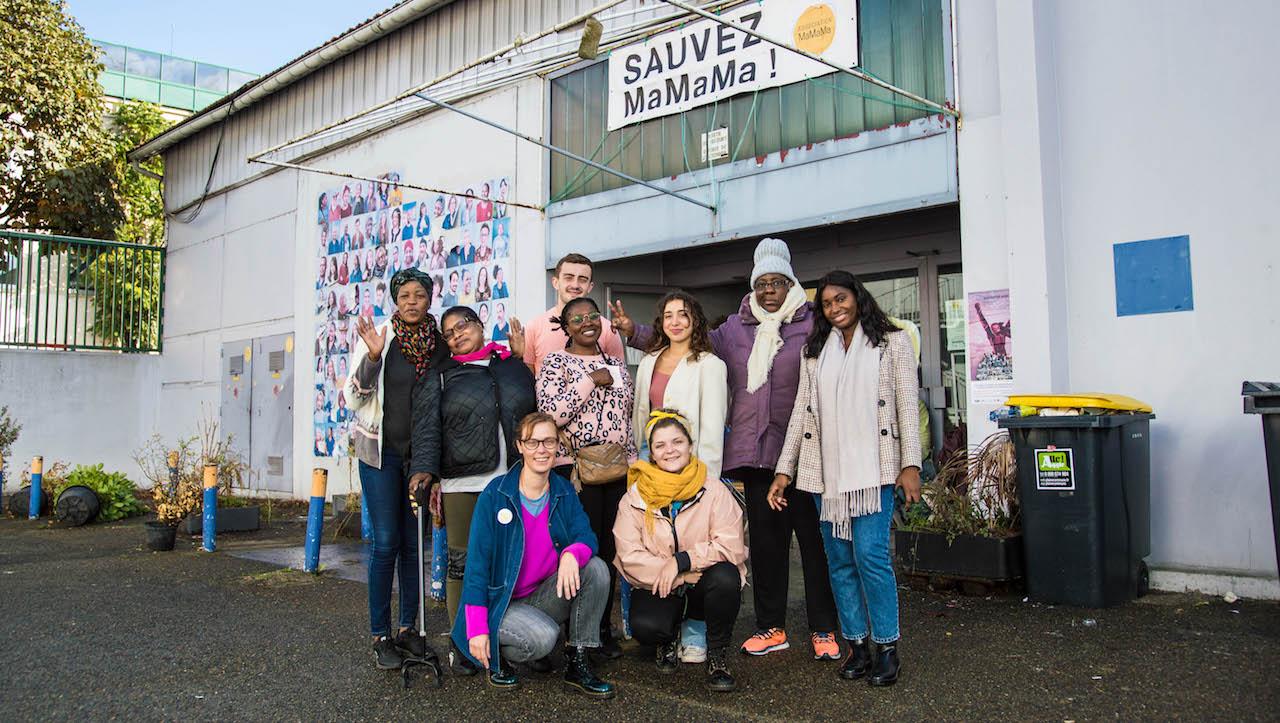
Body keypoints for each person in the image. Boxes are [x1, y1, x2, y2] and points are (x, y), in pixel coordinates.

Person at [611, 237, 839, 660]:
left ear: (791, 283)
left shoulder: (812, 326)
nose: (769, 290)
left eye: (777, 282)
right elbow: (686, 341)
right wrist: (635, 332)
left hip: (805, 456)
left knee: (814, 544)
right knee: (768, 548)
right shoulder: (735, 328)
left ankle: (824, 628)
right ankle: (772, 626)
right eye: (762, 283)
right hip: (753, 457)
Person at [772, 270, 921, 687]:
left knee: (870, 557)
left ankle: (887, 648)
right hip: (827, 475)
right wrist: (785, 471)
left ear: (858, 297)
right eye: (827, 303)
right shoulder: (814, 350)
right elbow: (802, 412)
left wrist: (911, 465)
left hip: (873, 470)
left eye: (841, 299)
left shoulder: (893, 342)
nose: (835, 308)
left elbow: (908, 408)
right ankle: (857, 647)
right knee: (838, 561)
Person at [449, 411, 617, 698]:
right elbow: (477, 565)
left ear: (557, 446)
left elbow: (586, 536)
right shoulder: (496, 495)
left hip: (539, 597)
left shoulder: (563, 490)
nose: (542, 450)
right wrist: (477, 627)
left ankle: (578, 663)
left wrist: (571, 555)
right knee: (542, 639)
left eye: (549, 442)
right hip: (500, 604)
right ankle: (497, 654)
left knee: (596, 569)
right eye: (533, 442)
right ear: (520, 446)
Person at [341, 267, 446, 670]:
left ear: (429, 298)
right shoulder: (380, 339)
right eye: (404, 296)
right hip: (380, 456)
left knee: (412, 543)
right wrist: (370, 357)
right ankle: (380, 634)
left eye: (419, 295)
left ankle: (409, 630)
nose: (412, 302)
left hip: (418, 460)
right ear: (395, 300)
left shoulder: (439, 345)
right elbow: (353, 397)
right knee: (385, 542)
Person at [409, 306, 533, 637]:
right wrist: (423, 468)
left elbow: (532, 412)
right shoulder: (440, 375)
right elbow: (426, 427)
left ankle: (508, 636)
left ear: (480, 325)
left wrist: (520, 360)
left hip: (510, 479)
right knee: (461, 563)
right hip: (462, 481)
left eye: (462, 326)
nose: (457, 335)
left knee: (509, 560)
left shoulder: (510, 366)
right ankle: (462, 639)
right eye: (448, 333)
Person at [628, 291, 729, 663]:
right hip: (650, 464)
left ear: (694, 320)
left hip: (692, 471)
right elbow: (641, 417)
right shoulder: (649, 360)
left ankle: (695, 630)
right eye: (668, 315)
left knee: (691, 546)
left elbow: (713, 429)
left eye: (683, 314)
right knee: (655, 544)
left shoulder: (710, 365)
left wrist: (707, 485)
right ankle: (663, 624)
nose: (675, 321)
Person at [615, 410, 746, 692]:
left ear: (690, 445)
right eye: (660, 445)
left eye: (677, 442)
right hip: (662, 584)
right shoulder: (634, 497)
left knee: (726, 577)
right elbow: (628, 556)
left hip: (704, 581)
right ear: (651, 453)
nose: (670, 450)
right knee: (646, 627)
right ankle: (669, 636)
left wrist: (684, 560)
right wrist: (678, 575)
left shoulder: (713, 490)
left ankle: (717, 654)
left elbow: (732, 545)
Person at [536, 296, 637, 659]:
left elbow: (626, 422)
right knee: (580, 551)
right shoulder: (555, 363)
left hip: (618, 471)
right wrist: (590, 381)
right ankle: (574, 632)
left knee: (611, 552)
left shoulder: (618, 365)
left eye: (593, 315)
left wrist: (634, 465)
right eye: (576, 318)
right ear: (565, 327)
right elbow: (550, 413)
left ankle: (601, 630)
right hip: (576, 471)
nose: (587, 322)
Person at [523, 254, 625, 376]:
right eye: (568, 278)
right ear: (555, 282)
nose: (575, 285)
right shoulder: (535, 326)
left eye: (582, 279)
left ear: (590, 287)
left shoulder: (607, 329)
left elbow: (618, 380)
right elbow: (527, 381)